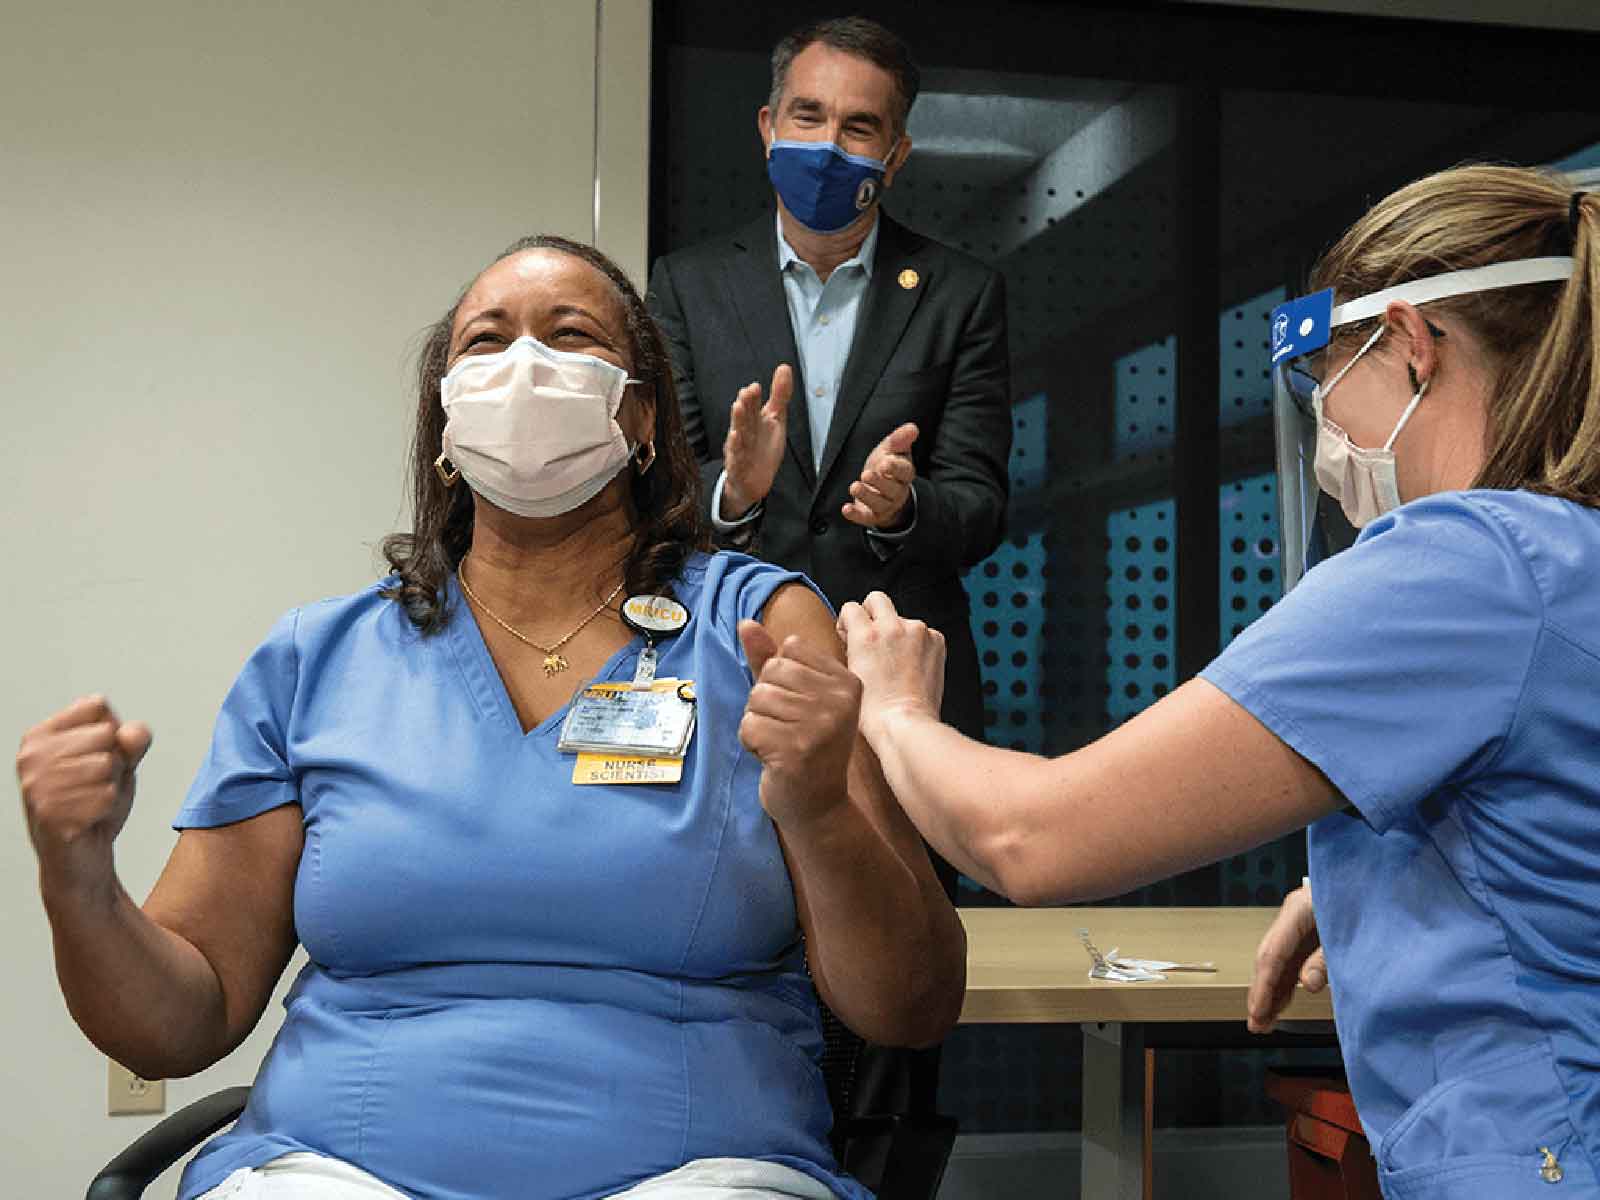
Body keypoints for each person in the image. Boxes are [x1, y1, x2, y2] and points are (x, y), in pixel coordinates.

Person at [15, 236, 965, 1200]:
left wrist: (819, 809)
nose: (524, 366)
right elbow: (186, 1014)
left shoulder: (757, 625)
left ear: (640, 416)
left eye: (570, 335)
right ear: (444, 420)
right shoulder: (318, 660)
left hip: (696, 1165)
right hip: (334, 1166)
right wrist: (78, 878)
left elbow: (912, 1002)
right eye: (486, 342)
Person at [829, 165, 1600, 1198]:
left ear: (1411, 346)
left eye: (1327, 384)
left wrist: (894, 709)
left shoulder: (1461, 566)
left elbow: (1033, 838)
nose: (1325, 434)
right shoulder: (1568, 557)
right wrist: (1357, 887)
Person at [646, 15, 1011, 754]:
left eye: (858, 127)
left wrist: (904, 507)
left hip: (899, 694)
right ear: (768, 126)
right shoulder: (687, 285)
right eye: (807, 116)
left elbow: (981, 506)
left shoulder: (959, 294)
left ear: (896, 154)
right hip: (730, 672)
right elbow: (657, 498)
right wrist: (734, 491)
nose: (826, 146)